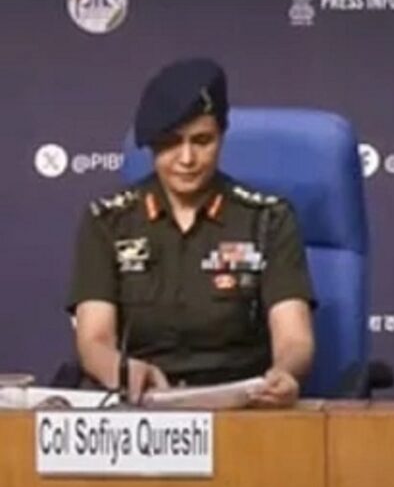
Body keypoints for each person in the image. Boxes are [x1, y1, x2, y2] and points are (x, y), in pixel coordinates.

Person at [67, 58, 315, 407]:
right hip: (140, 407)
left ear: (221, 137)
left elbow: (294, 338)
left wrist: (284, 373)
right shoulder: (107, 221)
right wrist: (120, 371)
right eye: (171, 142)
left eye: (202, 141)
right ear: (152, 144)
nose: (186, 158)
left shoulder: (268, 219)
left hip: (241, 408)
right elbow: (94, 340)